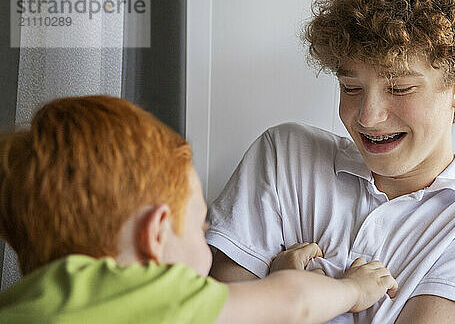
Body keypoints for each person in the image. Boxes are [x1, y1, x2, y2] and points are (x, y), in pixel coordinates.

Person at [206, 0, 455, 323]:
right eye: (351, 87)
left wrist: (287, 294)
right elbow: (218, 316)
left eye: (400, 88)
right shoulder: (285, 157)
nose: (368, 118)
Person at [0, 95, 399, 324]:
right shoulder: (155, 294)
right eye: (199, 225)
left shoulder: (17, 305)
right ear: (155, 234)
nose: (207, 236)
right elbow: (295, 301)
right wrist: (351, 289)